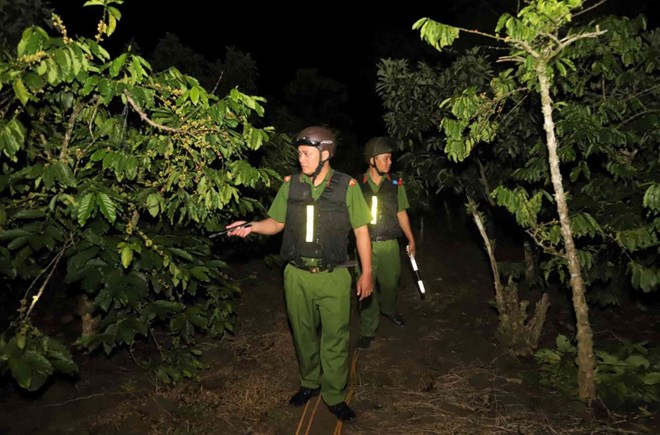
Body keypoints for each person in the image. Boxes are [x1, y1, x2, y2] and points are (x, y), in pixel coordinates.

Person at [226, 126, 373, 423]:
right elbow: (275, 223)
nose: (300, 159)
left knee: (335, 337)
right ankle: (309, 383)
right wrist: (252, 226)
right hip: (296, 275)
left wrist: (367, 272)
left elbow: (361, 231)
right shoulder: (291, 186)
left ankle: (333, 394)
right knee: (303, 334)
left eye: (306, 154)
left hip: (334, 275)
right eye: (299, 154)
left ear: (325, 154)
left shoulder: (348, 186)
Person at [357, 136, 416, 350]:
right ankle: (367, 330)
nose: (389, 162)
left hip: (390, 244)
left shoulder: (394, 184)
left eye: (390, 158)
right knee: (366, 289)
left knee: (391, 284)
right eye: (385, 158)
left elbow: (401, 212)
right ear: (372, 160)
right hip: (365, 247)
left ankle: (389, 310)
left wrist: (410, 238)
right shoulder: (356, 186)